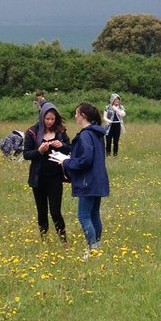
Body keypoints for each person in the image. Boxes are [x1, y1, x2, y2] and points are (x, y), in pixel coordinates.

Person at [60, 102, 109, 258]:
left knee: (83, 216)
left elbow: (86, 159)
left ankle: (92, 248)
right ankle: (97, 246)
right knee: (94, 214)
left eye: (76, 113)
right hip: (98, 179)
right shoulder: (96, 133)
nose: (74, 116)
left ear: (83, 116)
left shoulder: (86, 134)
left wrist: (66, 162)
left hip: (88, 181)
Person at [23, 102, 71, 241]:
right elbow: (26, 154)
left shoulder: (60, 132)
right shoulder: (32, 132)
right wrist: (39, 151)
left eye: (52, 119)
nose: (50, 122)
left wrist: (61, 145)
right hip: (38, 178)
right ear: (42, 117)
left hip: (55, 177)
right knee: (41, 211)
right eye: (47, 119)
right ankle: (43, 239)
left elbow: (70, 148)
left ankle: (64, 240)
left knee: (55, 211)